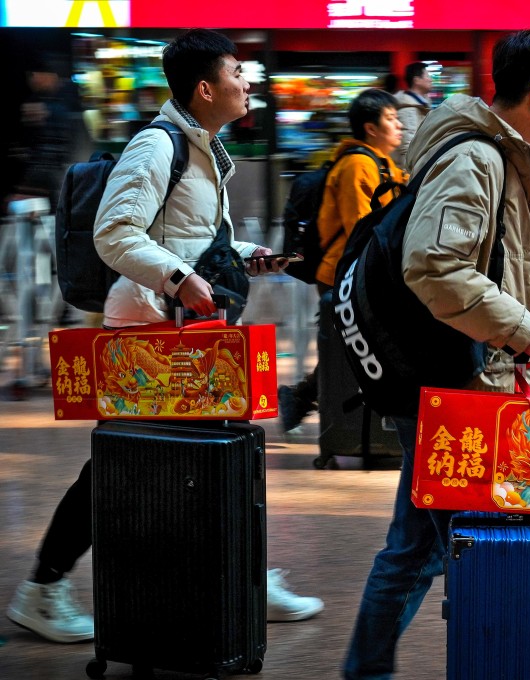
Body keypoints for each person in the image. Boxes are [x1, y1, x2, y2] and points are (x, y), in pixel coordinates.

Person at [5, 29, 322, 644]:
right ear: (205, 88)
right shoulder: (158, 146)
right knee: (126, 465)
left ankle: (244, 578)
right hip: (151, 333)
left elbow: (187, 237)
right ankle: (42, 589)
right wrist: (181, 280)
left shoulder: (205, 147)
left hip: (184, 331)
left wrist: (245, 256)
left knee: (211, 457)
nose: (248, 81)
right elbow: (115, 234)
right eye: (237, 71)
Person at [342, 27, 530, 679]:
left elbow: (502, 264)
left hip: (471, 375)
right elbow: (435, 264)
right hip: (455, 384)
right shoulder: (476, 160)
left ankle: (366, 670)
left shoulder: (522, 155)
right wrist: (524, 332)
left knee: (420, 547)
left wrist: (523, 333)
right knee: (481, 549)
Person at [277, 88, 407, 433]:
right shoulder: (357, 166)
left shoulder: (384, 164)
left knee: (351, 347)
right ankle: (306, 399)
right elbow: (361, 230)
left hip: (364, 272)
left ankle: (304, 398)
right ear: (370, 128)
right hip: (345, 275)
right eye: (391, 119)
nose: (399, 125)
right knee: (352, 348)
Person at [392, 62, 432, 171]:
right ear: (416, 80)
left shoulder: (421, 105)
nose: (430, 79)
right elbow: (407, 151)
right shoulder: (408, 110)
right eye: (427, 76)